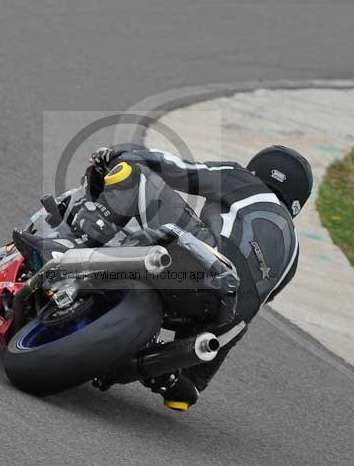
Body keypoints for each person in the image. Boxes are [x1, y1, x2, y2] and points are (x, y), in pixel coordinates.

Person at [71, 144, 312, 411]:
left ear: (257, 169)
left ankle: (79, 242)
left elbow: (178, 169)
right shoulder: (293, 258)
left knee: (133, 172)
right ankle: (179, 378)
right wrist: (195, 378)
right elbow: (246, 310)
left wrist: (121, 154)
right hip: (215, 315)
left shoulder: (243, 179)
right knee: (239, 309)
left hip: (199, 261)